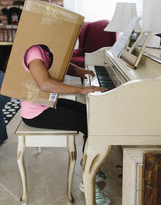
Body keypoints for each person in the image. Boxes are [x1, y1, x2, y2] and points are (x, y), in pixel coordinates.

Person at [21, 44, 111, 205]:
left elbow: (59, 65)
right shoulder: (34, 51)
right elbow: (45, 84)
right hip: (36, 113)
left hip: (47, 104)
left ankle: (88, 163)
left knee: (90, 113)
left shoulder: (44, 48)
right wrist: (81, 90)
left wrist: (81, 72)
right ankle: (87, 180)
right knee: (90, 124)